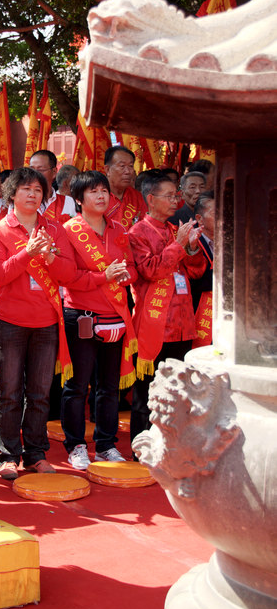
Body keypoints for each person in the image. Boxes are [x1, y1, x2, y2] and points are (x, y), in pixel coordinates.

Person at [0, 167, 76, 480]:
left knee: (40, 392)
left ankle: (36, 453)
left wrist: (50, 258)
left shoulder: (55, 228)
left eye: (38, 190)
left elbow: (69, 273)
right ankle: (9, 454)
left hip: (47, 319)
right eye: (25, 189)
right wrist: (29, 253)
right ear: (12, 193)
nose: (32, 195)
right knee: (10, 391)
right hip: (8, 320)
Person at [62, 171, 138, 468]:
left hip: (115, 315)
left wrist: (124, 274)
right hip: (81, 315)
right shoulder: (69, 230)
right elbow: (68, 277)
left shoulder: (119, 229)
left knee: (110, 385)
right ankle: (76, 444)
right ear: (79, 199)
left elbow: (132, 268)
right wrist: (103, 276)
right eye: (93, 191)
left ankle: (106, 443)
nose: (101, 196)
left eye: (104, 191)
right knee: (78, 385)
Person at [128, 174, 206, 444]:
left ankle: (173, 444)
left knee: (178, 390)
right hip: (155, 323)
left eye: (177, 195)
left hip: (183, 322)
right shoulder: (138, 232)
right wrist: (179, 245)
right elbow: (151, 270)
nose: (177, 201)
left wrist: (193, 248)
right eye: (170, 195)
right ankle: (142, 444)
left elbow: (195, 273)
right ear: (151, 199)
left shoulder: (176, 229)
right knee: (148, 391)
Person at [103, 146, 148, 230]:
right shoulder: (97, 196)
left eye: (131, 166)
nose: (128, 171)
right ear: (107, 170)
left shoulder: (137, 197)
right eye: (122, 166)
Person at [191, 191, 215, 347]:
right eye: (215, 213)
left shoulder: (229, 240)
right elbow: (198, 280)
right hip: (198, 309)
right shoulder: (192, 243)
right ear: (199, 219)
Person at [29, 150, 76, 223]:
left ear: (54, 172)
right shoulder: (22, 201)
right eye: (31, 170)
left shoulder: (68, 202)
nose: (34, 174)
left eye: (40, 170)